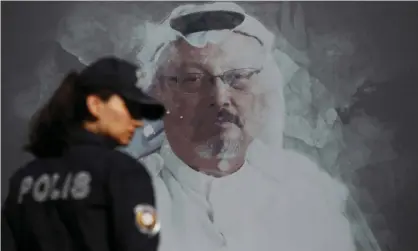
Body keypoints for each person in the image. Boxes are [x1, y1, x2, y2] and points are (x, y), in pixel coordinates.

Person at [122, 2, 364, 251]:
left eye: (237, 77)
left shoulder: (306, 200)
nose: (219, 97)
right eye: (193, 79)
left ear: (262, 92)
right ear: (159, 96)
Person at [1, 56, 165, 251]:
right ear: (95, 104)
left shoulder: (24, 180)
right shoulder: (122, 172)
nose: (137, 122)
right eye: (131, 108)